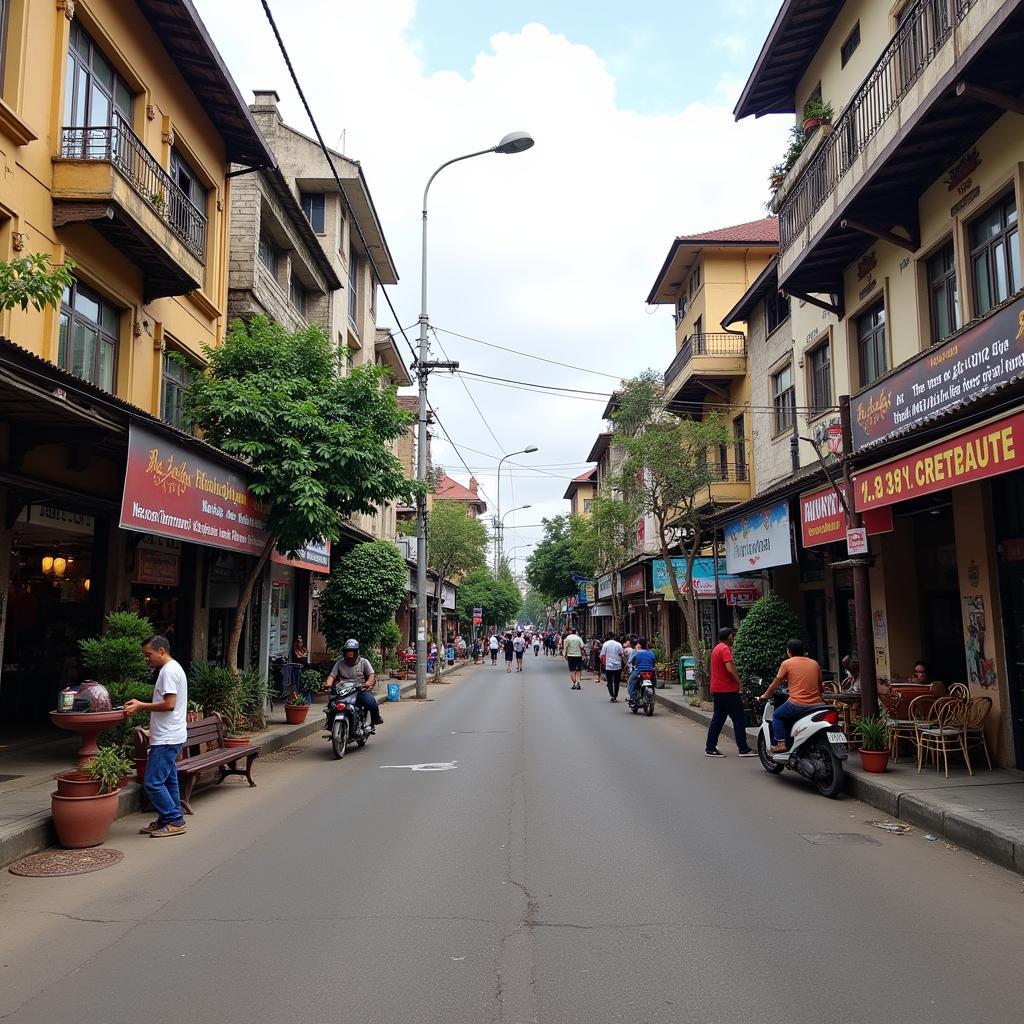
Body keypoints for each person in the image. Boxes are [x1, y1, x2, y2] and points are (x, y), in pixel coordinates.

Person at [126, 635, 188, 837]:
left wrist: (141, 706)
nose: (147, 659)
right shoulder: (173, 668)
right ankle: (168, 818)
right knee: (168, 781)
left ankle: (174, 820)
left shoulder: (168, 672)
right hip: (170, 735)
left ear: (161, 651)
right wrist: (152, 730)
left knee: (152, 782)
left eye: (148, 654)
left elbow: (169, 705)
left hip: (167, 739)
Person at [758, 638, 824, 753]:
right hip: (817, 704)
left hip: (797, 704)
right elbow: (820, 686)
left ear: (788, 651)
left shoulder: (787, 663)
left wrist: (765, 695)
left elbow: (775, 685)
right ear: (803, 651)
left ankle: (781, 743)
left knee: (777, 715)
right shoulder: (815, 663)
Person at [704, 627, 755, 758]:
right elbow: (730, 668)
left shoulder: (716, 648)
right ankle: (743, 749)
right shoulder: (725, 649)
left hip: (718, 689)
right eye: (732, 636)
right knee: (739, 719)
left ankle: (710, 747)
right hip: (728, 689)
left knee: (718, 719)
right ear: (730, 636)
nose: (733, 638)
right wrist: (739, 681)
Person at [326, 639, 384, 729]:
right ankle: (330, 725)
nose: (350, 654)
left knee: (370, 702)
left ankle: (375, 718)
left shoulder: (364, 662)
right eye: (348, 651)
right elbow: (332, 676)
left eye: (352, 651)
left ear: (356, 652)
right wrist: (328, 685)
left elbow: (371, 675)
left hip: (360, 690)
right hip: (344, 691)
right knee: (331, 705)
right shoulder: (339, 663)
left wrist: (368, 683)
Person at [626, 637, 657, 705]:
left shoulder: (636, 653)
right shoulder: (651, 653)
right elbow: (654, 663)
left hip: (639, 671)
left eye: (637, 643)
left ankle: (633, 698)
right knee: (653, 680)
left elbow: (630, 661)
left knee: (631, 683)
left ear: (639, 645)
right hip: (650, 672)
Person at [601, 631, 625, 702]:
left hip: (609, 666)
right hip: (618, 666)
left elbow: (602, 655)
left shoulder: (605, 644)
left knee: (610, 682)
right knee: (617, 682)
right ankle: (615, 695)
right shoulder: (619, 644)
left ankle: (612, 695)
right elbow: (622, 655)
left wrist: (603, 663)